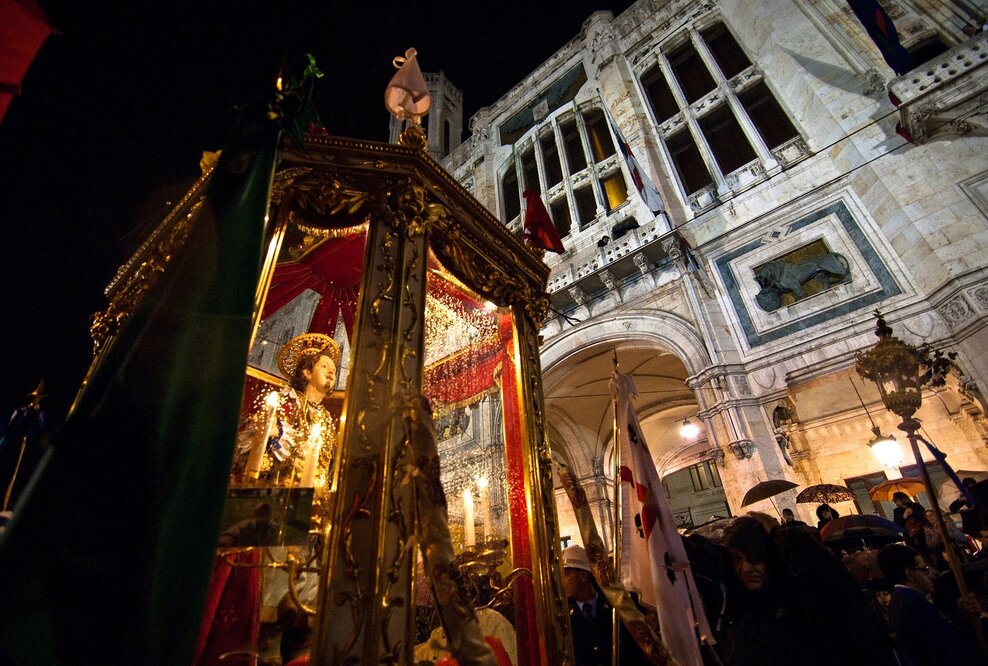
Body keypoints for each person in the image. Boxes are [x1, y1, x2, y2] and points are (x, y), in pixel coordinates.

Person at [878, 542, 984, 665]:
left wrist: (961, 615)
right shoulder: (915, 604)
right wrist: (965, 621)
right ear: (909, 573)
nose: (931, 575)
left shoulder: (899, 601)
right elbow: (945, 649)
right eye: (924, 569)